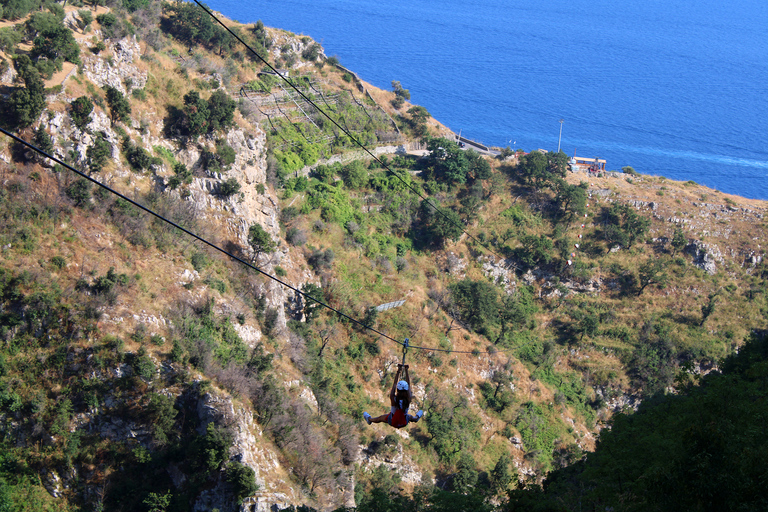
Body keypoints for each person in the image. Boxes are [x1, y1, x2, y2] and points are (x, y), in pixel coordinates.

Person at [363, 364, 424, 428]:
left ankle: (369, 419)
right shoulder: (408, 398)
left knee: (380, 418)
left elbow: (395, 384)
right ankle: (416, 418)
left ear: (398, 389)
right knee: (411, 417)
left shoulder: (393, 398)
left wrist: (398, 371)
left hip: (392, 420)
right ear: (406, 390)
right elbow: (408, 384)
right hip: (404, 421)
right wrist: (406, 370)